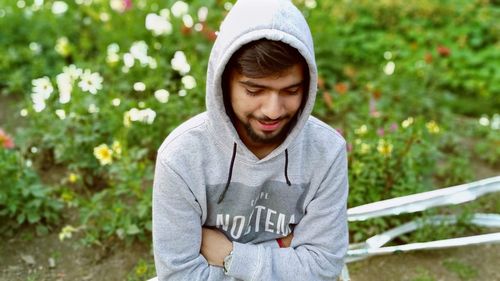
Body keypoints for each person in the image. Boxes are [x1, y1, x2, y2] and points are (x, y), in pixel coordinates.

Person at [152, 0, 349, 280]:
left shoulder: (326, 152)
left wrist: (229, 254)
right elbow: (179, 276)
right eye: (254, 90)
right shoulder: (182, 156)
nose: (272, 110)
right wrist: (284, 249)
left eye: (290, 90)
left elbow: (322, 268)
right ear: (224, 82)